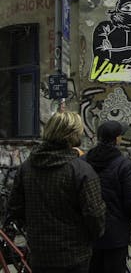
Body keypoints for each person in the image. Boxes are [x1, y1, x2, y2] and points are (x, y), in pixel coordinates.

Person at [7, 112, 106, 273]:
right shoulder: (81, 171)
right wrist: (91, 237)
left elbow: (15, 209)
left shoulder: (27, 168)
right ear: (72, 135)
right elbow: (94, 215)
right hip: (74, 256)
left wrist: (34, 229)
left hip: (40, 255)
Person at [85, 121, 131, 273]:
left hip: (89, 231)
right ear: (117, 139)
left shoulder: (83, 162)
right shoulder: (123, 165)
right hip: (115, 233)